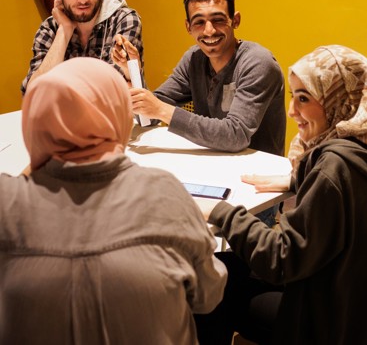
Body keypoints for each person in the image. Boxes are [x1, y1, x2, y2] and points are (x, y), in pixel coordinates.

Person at [1, 57, 227, 345]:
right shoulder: (163, 192)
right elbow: (208, 296)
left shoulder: (7, 202)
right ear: (118, 112)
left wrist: (44, 151)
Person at [193, 44, 367, 345]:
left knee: (210, 276)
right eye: (292, 97)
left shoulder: (334, 167)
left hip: (327, 325)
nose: (291, 111)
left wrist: (221, 212)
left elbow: (281, 260)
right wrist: (298, 178)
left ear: (338, 100)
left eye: (304, 98)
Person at [113, 0, 286, 227]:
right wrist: (132, 74)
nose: (209, 31)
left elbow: (234, 135)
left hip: (255, 187)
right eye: (199, 22)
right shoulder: (194, 59)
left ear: (235, 20)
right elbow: (150, 113)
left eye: (218, 20)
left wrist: (160, 109)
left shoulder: (258, 63)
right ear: (188, 26)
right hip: (210, 169)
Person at [21, 0, 143, 94]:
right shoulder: (50, 28)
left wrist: (59, 89)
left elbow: (115, 91)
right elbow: (34, 93)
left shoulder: (124, 20)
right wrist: (64, 31)